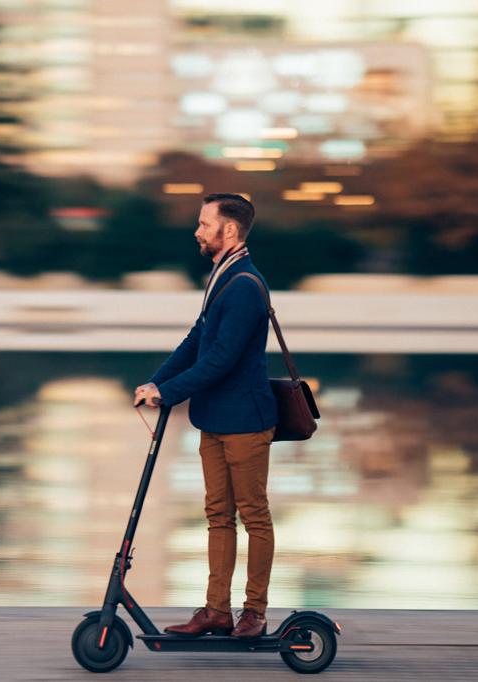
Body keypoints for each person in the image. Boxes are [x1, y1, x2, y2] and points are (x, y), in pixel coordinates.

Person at [133, 192, 277, 639]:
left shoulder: (246, 285)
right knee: (218, 515)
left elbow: (220, 360)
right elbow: (196, 340)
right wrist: (155, 383)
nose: (197, 231)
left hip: (246, 422)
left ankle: (253, 612)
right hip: (214, 418)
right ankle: (217, 611)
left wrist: (169, 393)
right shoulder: (223, 275)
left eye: (203, 223)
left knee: (254, 515)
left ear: (228, 230)